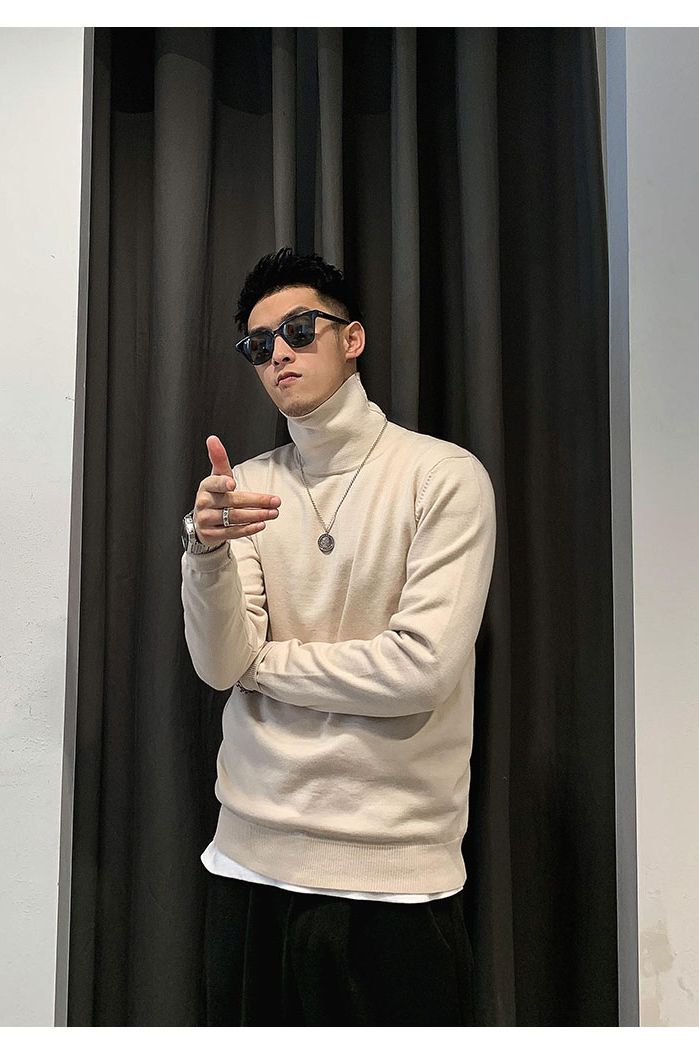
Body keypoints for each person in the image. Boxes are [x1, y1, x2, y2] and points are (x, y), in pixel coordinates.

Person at [180, 247, 496, 1027]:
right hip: (248, 863)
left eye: (298, 330)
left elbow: (419, 671)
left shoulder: (443, 476)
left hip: (395, 877)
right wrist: (205, 551)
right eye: (260, 344)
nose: (279, 354)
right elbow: (219, 664)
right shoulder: (245, 489)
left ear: (351, 338)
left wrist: (264, 666)